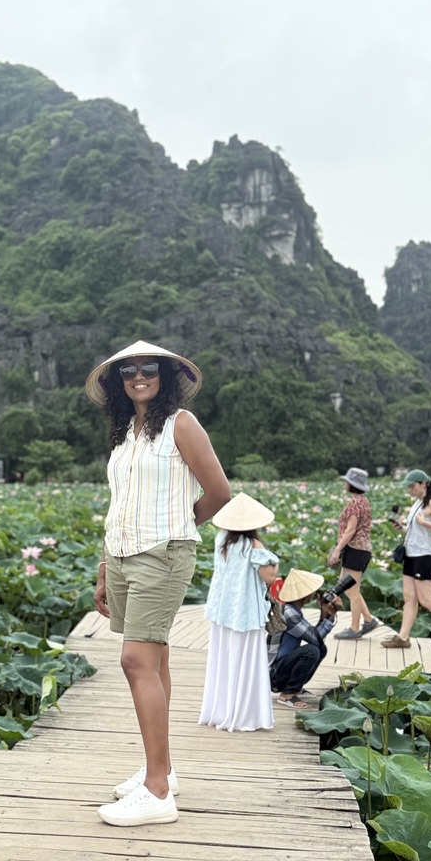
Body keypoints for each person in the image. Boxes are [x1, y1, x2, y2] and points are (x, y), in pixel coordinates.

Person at [85, 339, 230, 826]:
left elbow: (219, 491)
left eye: (149, 369)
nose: (138, 376)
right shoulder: (127, 432)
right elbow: (120, 503)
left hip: (162, 554)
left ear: (165, 376)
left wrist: (179, 527)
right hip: (123, 555)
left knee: (135, 661)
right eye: (128, 371)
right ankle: (161, 769)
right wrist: (106, 565)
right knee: (157, 655)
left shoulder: (180, 424)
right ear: (118, 382)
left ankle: (157, 792)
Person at [199, 493, 279, 732]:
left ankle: (221, 711)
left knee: (223, 661)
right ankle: (244, 715)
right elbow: (269, 577)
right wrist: (273, 560)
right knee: (246, 662)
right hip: (245, 613)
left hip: (223, 611)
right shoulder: (254, 545)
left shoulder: (221, 540)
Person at [381, 469, 431, 649]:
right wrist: (402, 528)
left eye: (412, 486)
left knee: (427, 599)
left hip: (425, 556)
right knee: (409, 597)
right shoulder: (417, 503)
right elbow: (417, 531)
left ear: (423, 484)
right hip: (411, 555)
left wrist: (425, 523)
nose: (410, 490)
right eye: (408, 487)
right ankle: (403, 638)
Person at [270, 569, 341, 709]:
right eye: (312, 590)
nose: (314, 593)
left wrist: (325, 613)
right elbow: (315, 638)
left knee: (320, 648)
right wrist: (330, 616)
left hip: (281, 668)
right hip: (274, 674)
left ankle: (296, 688)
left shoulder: (293, 609)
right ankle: (287, 694)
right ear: (304, 594)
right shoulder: (289, 613)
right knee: (312, 650)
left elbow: (315, 637)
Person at [327, 467, 379, 640]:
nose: (344, 483)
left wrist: (337, 550)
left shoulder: (355, 503)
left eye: (346, 481)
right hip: (360, 550)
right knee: (346, 586)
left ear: (351, 484)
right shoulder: (363, 500)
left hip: (356, 549)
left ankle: (355, 629)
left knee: (352, 590)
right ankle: (369, 620)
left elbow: (350, 530)